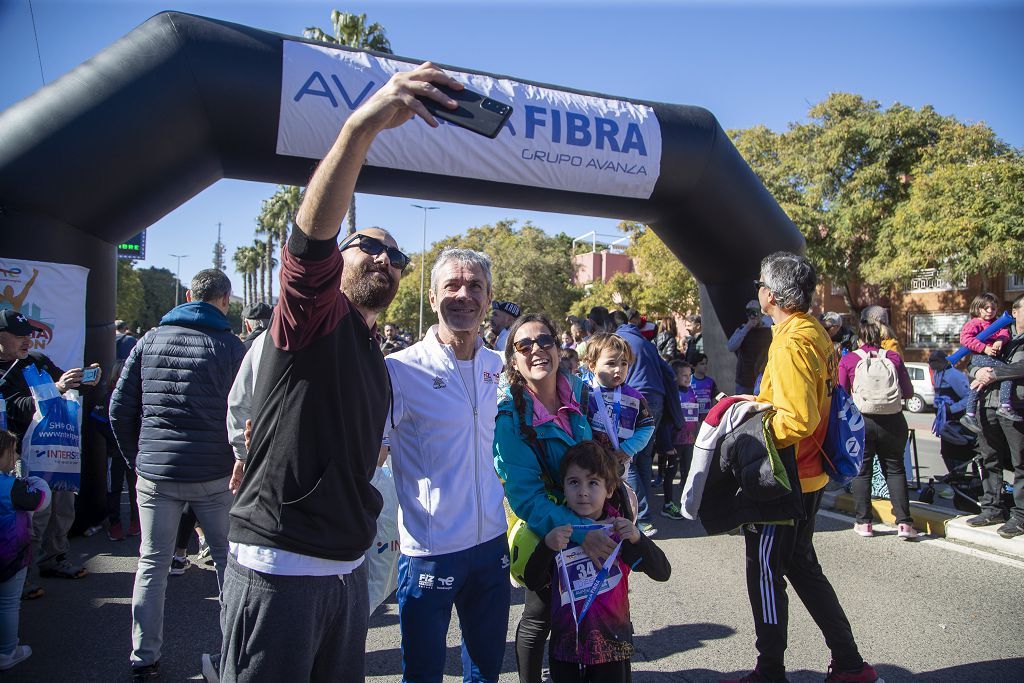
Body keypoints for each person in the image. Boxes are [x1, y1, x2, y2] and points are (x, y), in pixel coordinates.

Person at [219, 62, 454, 682]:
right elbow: (307, 250)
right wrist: (361, 129)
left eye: (397, 255)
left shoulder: (374, 354)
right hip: (278, 568)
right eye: (369, 246)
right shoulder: (314, 318)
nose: (385, 257)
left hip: (345, 571)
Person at [725, 252, 880, 683]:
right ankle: (849, 662)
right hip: (810, 472)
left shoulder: (791, 340)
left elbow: (796, 418)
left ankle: (770, 670)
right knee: (801, 566)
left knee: (765, 570)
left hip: (784, 474)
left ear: (770, 295)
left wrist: (744, 435)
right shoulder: (813, 332)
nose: (757, 290)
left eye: (760, 284)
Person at [110, 268, 244, 681]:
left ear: (188, 295)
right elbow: (248, 412)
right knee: (229, 564)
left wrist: (139, 459)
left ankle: (143, 655)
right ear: (224, 300)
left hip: (156, 473)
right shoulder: (230, 347)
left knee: (152, 562)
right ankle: (232, 655)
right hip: (215, 475)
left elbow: (119, 408)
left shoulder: (149, 340)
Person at [383, 248, 510, 682]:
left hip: (492, 543)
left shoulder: (500, 367)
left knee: (486, 671)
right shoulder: (400, 370)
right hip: (431, 553)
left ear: (489, 298)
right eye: (452, 286)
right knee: (422, 674)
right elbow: (370, 453)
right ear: (433, 298)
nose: (464, 295)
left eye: (475, 286)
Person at [493, 313, 618, 683]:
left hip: (587, 512)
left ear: (559, 348)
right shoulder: (509, 416)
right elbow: (527, 498)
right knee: (541, 613)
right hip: (548, 526)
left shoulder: (580, 392)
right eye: (524, 345)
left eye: (545, 341)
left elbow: (601, 448)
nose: (536, 350)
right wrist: (579, 532)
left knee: (593, 603)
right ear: (513, 360)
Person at [522, 440, 670, 683]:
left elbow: (662, 572)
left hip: (613, 647)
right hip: (565, 648)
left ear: (610, 489)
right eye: (574, 482)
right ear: (563, 487)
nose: (582, 491)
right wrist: (546, 546)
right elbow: (533, 581)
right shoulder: (560, 535)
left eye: (593, 483)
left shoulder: (619, 533)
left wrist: (637, 538)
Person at [0, 308, 100, 598]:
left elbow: (67, 386)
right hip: (21, 455)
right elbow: (17, 407)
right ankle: (23, 576)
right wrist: (56, 388)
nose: (26, 341)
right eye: (18, 336)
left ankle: (55, 557)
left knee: (62, 509)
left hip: (58, 450)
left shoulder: (38, 361)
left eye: (28, 334)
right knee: (32, 516)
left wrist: (84, 380)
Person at [839, 321, 918, 540]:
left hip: (861, 422)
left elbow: (841, 393)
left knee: (862, 470)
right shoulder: (892, 357)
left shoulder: (849, 359)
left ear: (859, 338)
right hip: (893, 421)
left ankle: (864, 523)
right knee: (895, 470)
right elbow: (909, 392)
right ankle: (904, 524)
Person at [614, 308, 684, 538]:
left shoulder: (619, 340)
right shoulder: (645, 342)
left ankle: (641, 517)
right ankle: (642, 515)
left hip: (632, 399)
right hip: (657, 400)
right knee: (643, 458)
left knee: (628, 460)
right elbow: (668, 372)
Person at [966, 292, 1024, 538]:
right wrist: (978, 371)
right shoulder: (998, 334)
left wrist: (996, 373)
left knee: (1021, 463)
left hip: (1016, 408)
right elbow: (971, 361)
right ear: (1015, 312)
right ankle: (991, 508)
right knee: (989, 458)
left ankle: (1020, 516)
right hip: (987, 405)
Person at [579, 333, 656, 491]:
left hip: (618, 463)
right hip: (586, 462)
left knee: (618, 500)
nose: (618, 370)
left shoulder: (635, 398)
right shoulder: (582, 391)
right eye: (611, 363)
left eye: (624, 363)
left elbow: (647, 427)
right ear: (592, 365)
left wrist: (628, 449)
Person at [0, 430, 50, 671]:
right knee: (9, 603)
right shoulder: (13, 487)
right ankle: (8, 651)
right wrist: (40, 485)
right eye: (13, 452)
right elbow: (40, 501)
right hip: (12, 555)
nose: (16, 456)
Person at [959, 292, 1019, 433]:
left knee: (979, 384)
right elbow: (965, 339)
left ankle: (970, 414)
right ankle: (1004, 405)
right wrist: (984, 348)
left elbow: (1004, 332)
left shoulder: (996, 323)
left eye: (993, 308)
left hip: (993, 358)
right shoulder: (974, 323)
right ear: (978, 308)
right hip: (980, 357)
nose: (990, 311)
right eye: (986, 308)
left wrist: (1000, 340)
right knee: (1006, 373)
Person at [661, 360, 699, 520]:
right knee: (670, 475)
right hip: (675, 443)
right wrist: (667, 444)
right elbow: (665, 422)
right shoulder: (671, 394)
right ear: (675, 377)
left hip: (689, 441)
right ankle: (668, 504)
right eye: (683, 375)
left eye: (689, 375)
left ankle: (686, 504)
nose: (687, 378)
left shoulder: (691, 391)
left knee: (688, 473)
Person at [927, 350, 975, 474]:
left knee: (957, 452)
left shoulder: (954, 375)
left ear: (942, 361)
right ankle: (954, 477)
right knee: (946, 452)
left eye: (933, 361)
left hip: (955, 420)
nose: (930, 364)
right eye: (929, 360)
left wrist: (952, 409)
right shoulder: (937, 374)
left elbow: (968, 397)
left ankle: (959, 477)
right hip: (944, 421)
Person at [727, 301, 773, 395]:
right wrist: (747, 328)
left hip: (762, 378)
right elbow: (731, 347)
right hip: (744, 380)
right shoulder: (743, 329)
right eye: (749, 313)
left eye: (755, 313)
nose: (752, 316)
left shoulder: (769, 329)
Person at [690, 353, 719, 422]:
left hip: (707, 417)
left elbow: (714, 398)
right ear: (694, 366)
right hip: (693, 417)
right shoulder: (689, 381)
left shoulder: (710, 382)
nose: (705, 366)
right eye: (702, 364)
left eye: (706, 363)